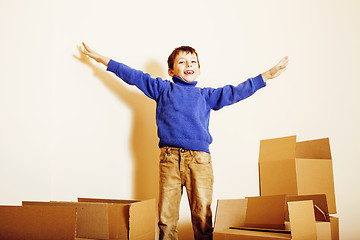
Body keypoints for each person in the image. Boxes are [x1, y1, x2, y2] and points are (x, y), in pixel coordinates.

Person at [81, 42, 289, 240]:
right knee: (166, 218)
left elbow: (236, 91)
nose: (188, 65)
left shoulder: (205, 95)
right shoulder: (162, 89)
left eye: (193, 62)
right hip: (169, 160)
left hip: (199, 162)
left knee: (202, 218)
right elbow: (133, 76)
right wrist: (103, 60)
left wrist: (266, 76)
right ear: (171, 71)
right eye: (182, 62)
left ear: (199, 69)